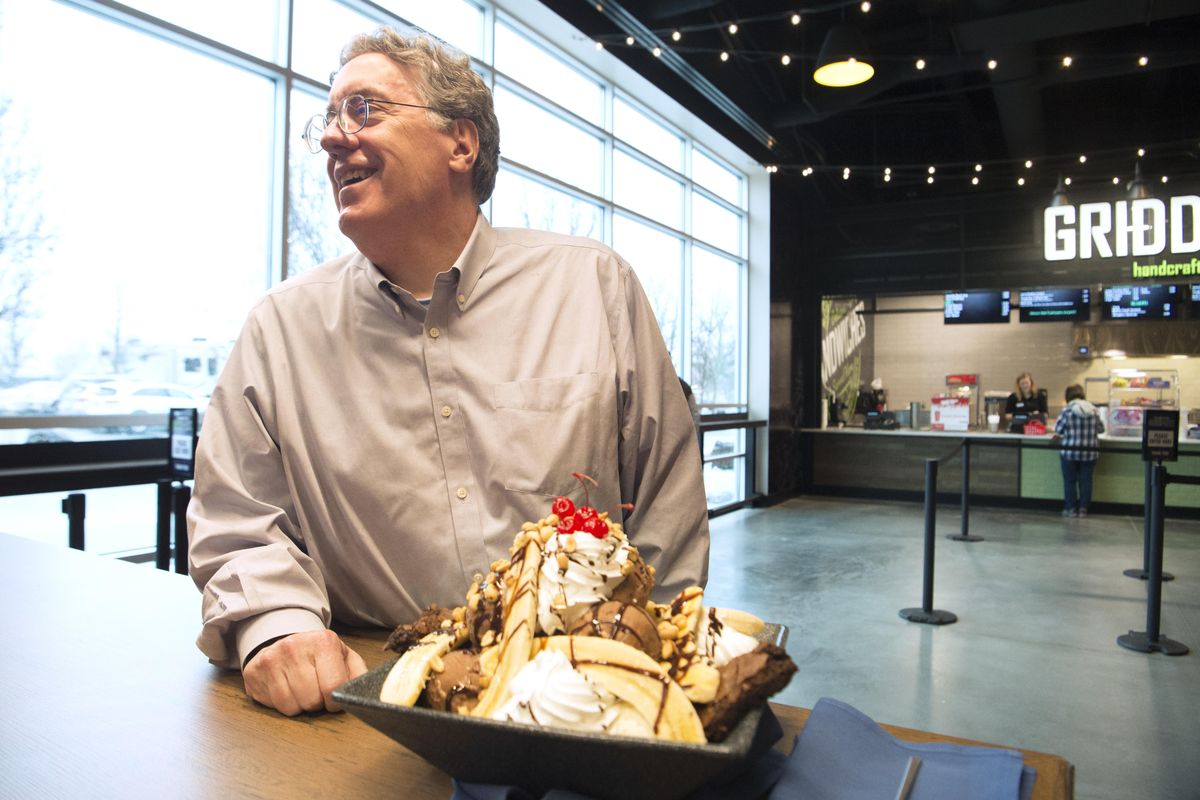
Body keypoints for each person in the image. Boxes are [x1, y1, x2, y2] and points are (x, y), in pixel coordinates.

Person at [187, 29, 710, 717]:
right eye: (328, 118)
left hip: (589, 695)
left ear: (461, 143)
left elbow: (667, 499)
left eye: (365, 109)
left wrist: (654, 670)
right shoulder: (279, 331)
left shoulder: (593, 287)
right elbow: (238, 520)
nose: (331, 140)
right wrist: (276, 625)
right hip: (370, 704)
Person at [1052, 384, 1104, 517]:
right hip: (1090, 452)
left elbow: (1058, 429)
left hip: (1070, 451)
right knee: (1086, 480)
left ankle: (1070, 509)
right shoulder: (1094, 410)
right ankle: (1083, 509)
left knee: (1070, 480)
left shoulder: (1067, 410)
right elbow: (1101, 429)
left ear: (1068, 396)